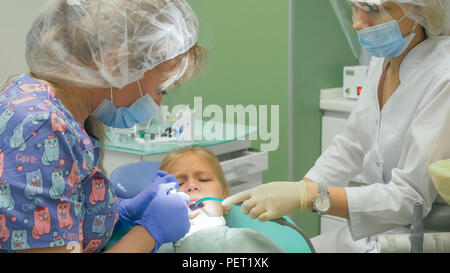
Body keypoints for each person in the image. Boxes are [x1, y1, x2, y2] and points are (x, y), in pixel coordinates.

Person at [222, 0, 450, 253]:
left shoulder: (444, 74)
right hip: (378, 233)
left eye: (373, 9)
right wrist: (301, 189)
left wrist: (306, 196)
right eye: (355, 6)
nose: (357, 22)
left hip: (420, 239)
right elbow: (350, 144)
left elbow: (411, 199)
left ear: (419, 11)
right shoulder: (383, 61)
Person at [0, 0, 207, 253]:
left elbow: (62, 208)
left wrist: (119, 211)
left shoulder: (61, 114)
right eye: (161, 89)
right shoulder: (40, 127)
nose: (157, 103)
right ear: (117, 64)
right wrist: (151, 232)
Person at [155, 146, 284, 253]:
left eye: (204, 179)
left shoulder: (244, 242)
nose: (191, 186)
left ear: (226, 198)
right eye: (179, 183)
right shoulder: (150, 245)